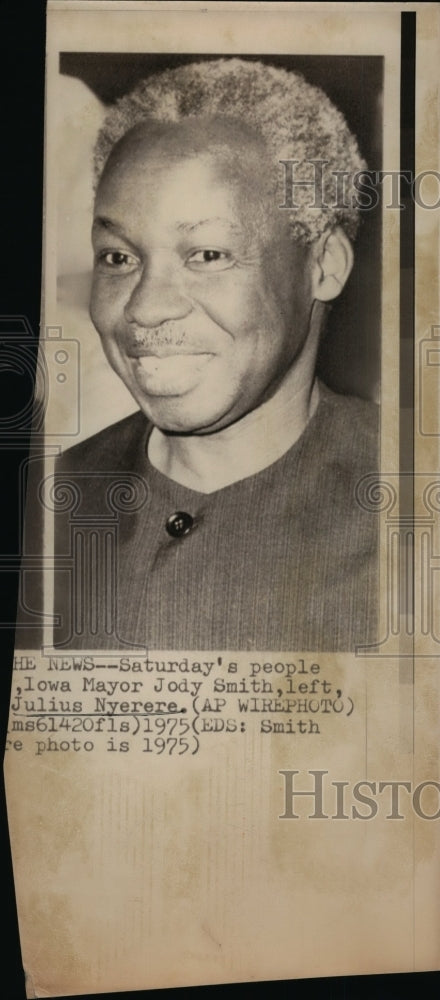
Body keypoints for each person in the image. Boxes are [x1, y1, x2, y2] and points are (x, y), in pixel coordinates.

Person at [53, 58, 379, 651]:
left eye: (207, 255)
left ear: (324, 264)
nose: (145, 309)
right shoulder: (48, 502)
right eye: (118, 257)